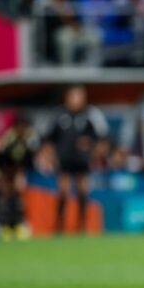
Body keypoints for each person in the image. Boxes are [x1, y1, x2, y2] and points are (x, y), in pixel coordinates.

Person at [45, 85, 108, 233]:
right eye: (73, 95)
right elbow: (49, 139)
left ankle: (82, 225)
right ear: (67, 97)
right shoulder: (59, 115)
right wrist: (50, 157)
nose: (76, 99)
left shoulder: (91, 114)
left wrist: (93, 151)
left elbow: (102, 138)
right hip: (64, 160)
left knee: (82, 192)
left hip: (82, 160)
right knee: (63, 192)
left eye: (80, 95)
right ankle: (59, 225)